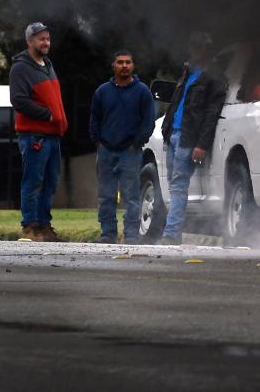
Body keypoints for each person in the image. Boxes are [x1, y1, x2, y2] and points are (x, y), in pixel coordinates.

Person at [159, 33, 226, 245]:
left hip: (189, 140)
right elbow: (177, 105)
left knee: (179, 185)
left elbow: (211, 115)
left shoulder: (215, 79)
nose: (196, 52)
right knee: (173, 184)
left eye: (201, 48)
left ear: (208, 51)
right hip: (174, 136)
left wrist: (201, 145)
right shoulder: (187, 74)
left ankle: (171, 234)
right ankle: (173, 232)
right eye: (195, 47)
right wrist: (167, 132)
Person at [89, 50, 157, 244]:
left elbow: (148, 122)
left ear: (133, 66)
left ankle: (131, 235)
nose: (124, 66)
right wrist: (98, 142)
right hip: (106, 151)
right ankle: (108, 234)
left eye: (128, 62)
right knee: (105, 195)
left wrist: (137, 144)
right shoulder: (102, 91)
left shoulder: (142, 91)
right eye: (120, 62)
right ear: (114, 66)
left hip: (131, 152)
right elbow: (94, 118)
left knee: (132, 197)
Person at [9, 22, 68, 242]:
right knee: (33, 181)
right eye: (41, 39)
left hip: (53, 135)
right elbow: (18, 100)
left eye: (48, 39)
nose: (46, 42)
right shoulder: (21, 68)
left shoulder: (47, 65)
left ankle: (44, 226)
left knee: (51, 182)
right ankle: (30, 226)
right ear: (30, 41)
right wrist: (47, 115)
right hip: (35, 135)